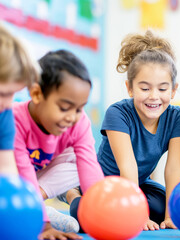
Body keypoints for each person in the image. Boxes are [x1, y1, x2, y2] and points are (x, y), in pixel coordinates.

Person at [97, 30, 180, 231]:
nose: (154, 97)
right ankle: (75, 194)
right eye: (145, 89)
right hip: (105, 184)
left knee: (166, 204)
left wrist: (171, 216)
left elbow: (174, 168)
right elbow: (127, 166)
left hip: (138, 184)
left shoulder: (177, 118)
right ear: (130, 88)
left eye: (163, 89)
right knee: (98, 212)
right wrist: (137, 214)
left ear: (174, 90)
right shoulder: (117, 113)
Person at [13, 49, 104, 239]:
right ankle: (42, 215)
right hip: (13, 177)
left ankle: (38, 210)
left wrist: (102, 214)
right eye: (64, 108)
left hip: (39, 177)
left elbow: (89, 165)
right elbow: (24, 173)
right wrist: (44, 227)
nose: (72, 117)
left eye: (80, 108)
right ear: (36, 94)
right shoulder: (15, 121)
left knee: (78, 165)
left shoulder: (79, 122)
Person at [0, 24, 38, 175]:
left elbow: (7, 170)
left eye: (13, 94)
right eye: (3, 94)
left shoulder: (4, 114)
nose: (9, 103)